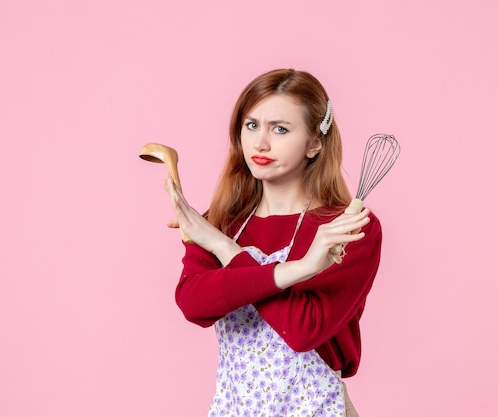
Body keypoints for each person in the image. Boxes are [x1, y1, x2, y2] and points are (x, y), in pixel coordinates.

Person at [163, 68, 382, 416]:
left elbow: (302, 330)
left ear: (315, 143)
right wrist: (299, 269)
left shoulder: (346, 228)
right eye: (252, 125)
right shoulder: (219, 223)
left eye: (280, 129)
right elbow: (194, 304)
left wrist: (226, 250)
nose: (260, 143)